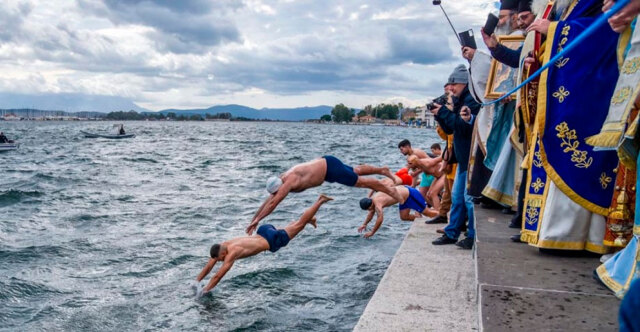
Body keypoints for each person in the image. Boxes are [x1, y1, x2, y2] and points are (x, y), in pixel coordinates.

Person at [196, 194, 333, 294]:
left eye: (221, 259)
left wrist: (204, 291)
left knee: (300, 224)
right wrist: (197, 281)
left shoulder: (232, 253)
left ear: (224, 253)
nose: (220, 261)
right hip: (263, 231)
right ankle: (310, 219)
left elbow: (218, 276)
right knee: (293, 227)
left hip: (272, 240)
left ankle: (319, 201)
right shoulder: (224, 244)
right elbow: (210, 265)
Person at [246, 156, 403, 235]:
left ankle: (390, 190)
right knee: (356, 170)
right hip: (327, 165)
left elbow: (274, 203)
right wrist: (255, 219)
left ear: (278, 187)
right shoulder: (282, 178)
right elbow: (269, 200)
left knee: (362, 182)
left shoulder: (288, 183)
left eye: (276, 193)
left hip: (330, 170)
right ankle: (382, 170)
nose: (276, 195)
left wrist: (259, 220)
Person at [430, 64, 481, 250]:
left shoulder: (472, 101)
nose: (450, 88)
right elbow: (450, 129)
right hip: (462, 159)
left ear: (465, 84)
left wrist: (444, 112)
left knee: (468, 199)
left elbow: (463, 126)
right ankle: (452, 232)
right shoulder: (460, 100)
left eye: (454, 84)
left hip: (472, 158)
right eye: (449, 84)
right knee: (458, 198)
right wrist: (440, 115)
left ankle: (473, 234)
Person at [358, 185, 438, 238]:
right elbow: (371, 213)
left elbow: (380, 219)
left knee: (428, 213)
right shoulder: (372, 201)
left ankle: (444, 215)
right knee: (404, 217)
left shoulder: (377, 203)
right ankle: (420, 219)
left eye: (368, 209)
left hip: (410, 194)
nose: (369, 211)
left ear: (370, 205)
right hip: (403, 198)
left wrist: (372, 232)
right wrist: (364, 224)